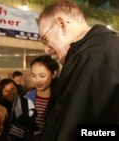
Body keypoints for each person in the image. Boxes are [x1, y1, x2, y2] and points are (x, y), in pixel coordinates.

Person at [37, 0, 119, 141]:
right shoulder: (87, 53)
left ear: (61, 24)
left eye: (45, 39)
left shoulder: (92, 57)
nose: (46, 49)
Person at [24, 55, 59, 139]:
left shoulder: (60, 99)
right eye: (33, 76)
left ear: (53, 74)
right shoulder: (26, 98)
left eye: (42, 76)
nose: (37, 80)